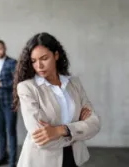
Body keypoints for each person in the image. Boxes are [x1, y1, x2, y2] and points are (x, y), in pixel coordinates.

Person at [13, 32, 101, 167]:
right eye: (34, 61)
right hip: (42, 161)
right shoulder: (27, 88)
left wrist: (60, 130)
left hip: (74, 158)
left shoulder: (74, 83)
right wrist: (79, 132)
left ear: (56, 55)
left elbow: (95, 124)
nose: (39, 66)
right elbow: (42, 140)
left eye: (44, 58)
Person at [0, 40, 17, 167]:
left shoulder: (12, 62)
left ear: (4, 48)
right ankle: (2, 157)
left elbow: (17, 82)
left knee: (11, 131)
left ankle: (12, 161)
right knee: (0, 132)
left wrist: (0, 84)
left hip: (10, 103)